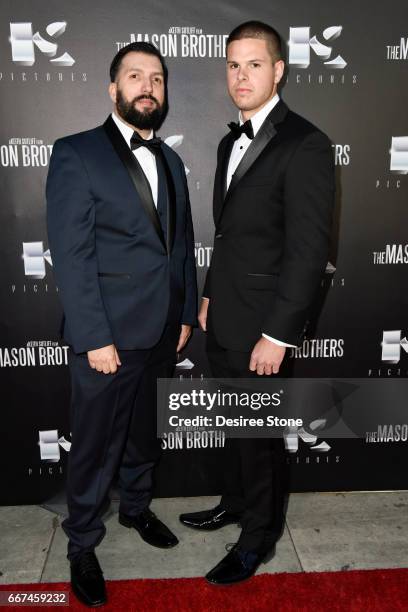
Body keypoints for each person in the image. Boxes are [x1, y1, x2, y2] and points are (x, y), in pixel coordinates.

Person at [179, 21, 335, 585]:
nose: (240, 76)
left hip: (265, 326)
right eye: (231, 65)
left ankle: (258, 537)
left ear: (278, 70)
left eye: (253, 64)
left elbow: (308, 250)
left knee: (259, 436)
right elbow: (229, 235)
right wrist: (209, 295)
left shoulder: (306, 143)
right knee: (233, 425)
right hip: (224, 313)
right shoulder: (228, 141)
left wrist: (279, 333)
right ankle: (235, 502)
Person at [46, 41, 197, 606]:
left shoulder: (172, 161)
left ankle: (135, 509)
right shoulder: (77, 153)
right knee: (92, 446)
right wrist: (94, 337)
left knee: (142, 435)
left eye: (156, 78)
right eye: (135, 76)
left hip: (161, 331)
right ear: (113, 88)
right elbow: (72, 253)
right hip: (106, 336)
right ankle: (82, 544)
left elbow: (180, 247)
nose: (147, 86)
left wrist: (184, 314)